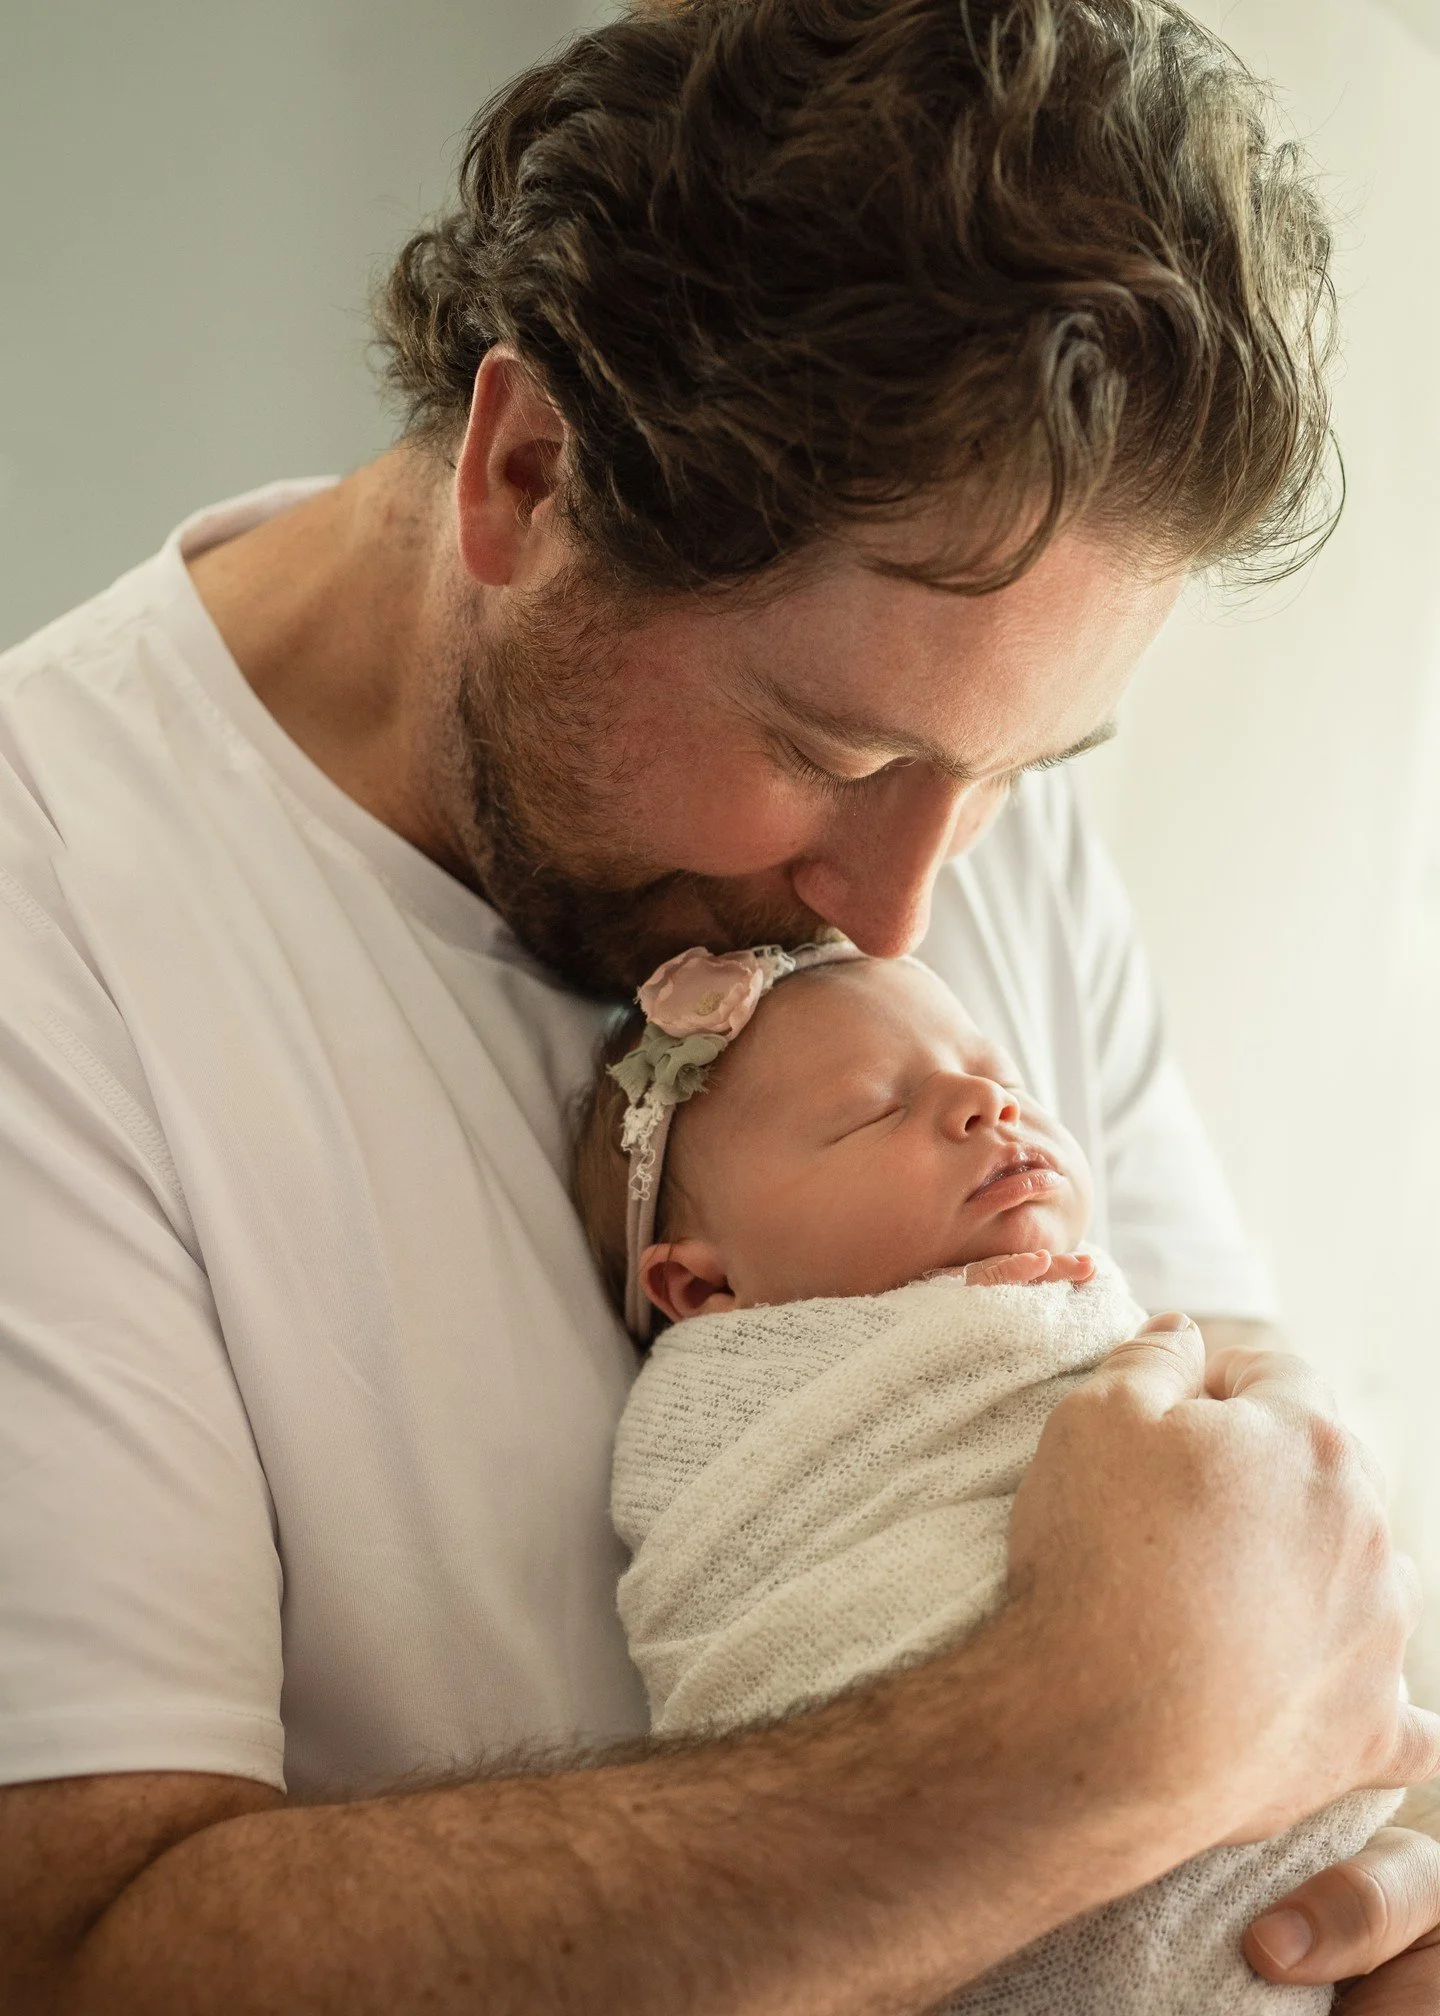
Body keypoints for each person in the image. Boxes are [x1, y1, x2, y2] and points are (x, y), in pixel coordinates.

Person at [2, 2, 1440, 2010]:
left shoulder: (946, 784)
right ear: (525, 468)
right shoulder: (44, 925)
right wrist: (1068, 1754)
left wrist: (1382, 1880)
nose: (908, 900)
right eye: (834, 755)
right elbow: (74, 1957)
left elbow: (1302, 1565)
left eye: (1021, 771)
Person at [585, 943, 1399, 2012]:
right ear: (701, 1285)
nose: (985, 1104)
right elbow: (751, 1611)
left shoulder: (1110, 1322)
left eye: (1001, 1076)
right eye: (871, 1112)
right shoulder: (737, 1421)